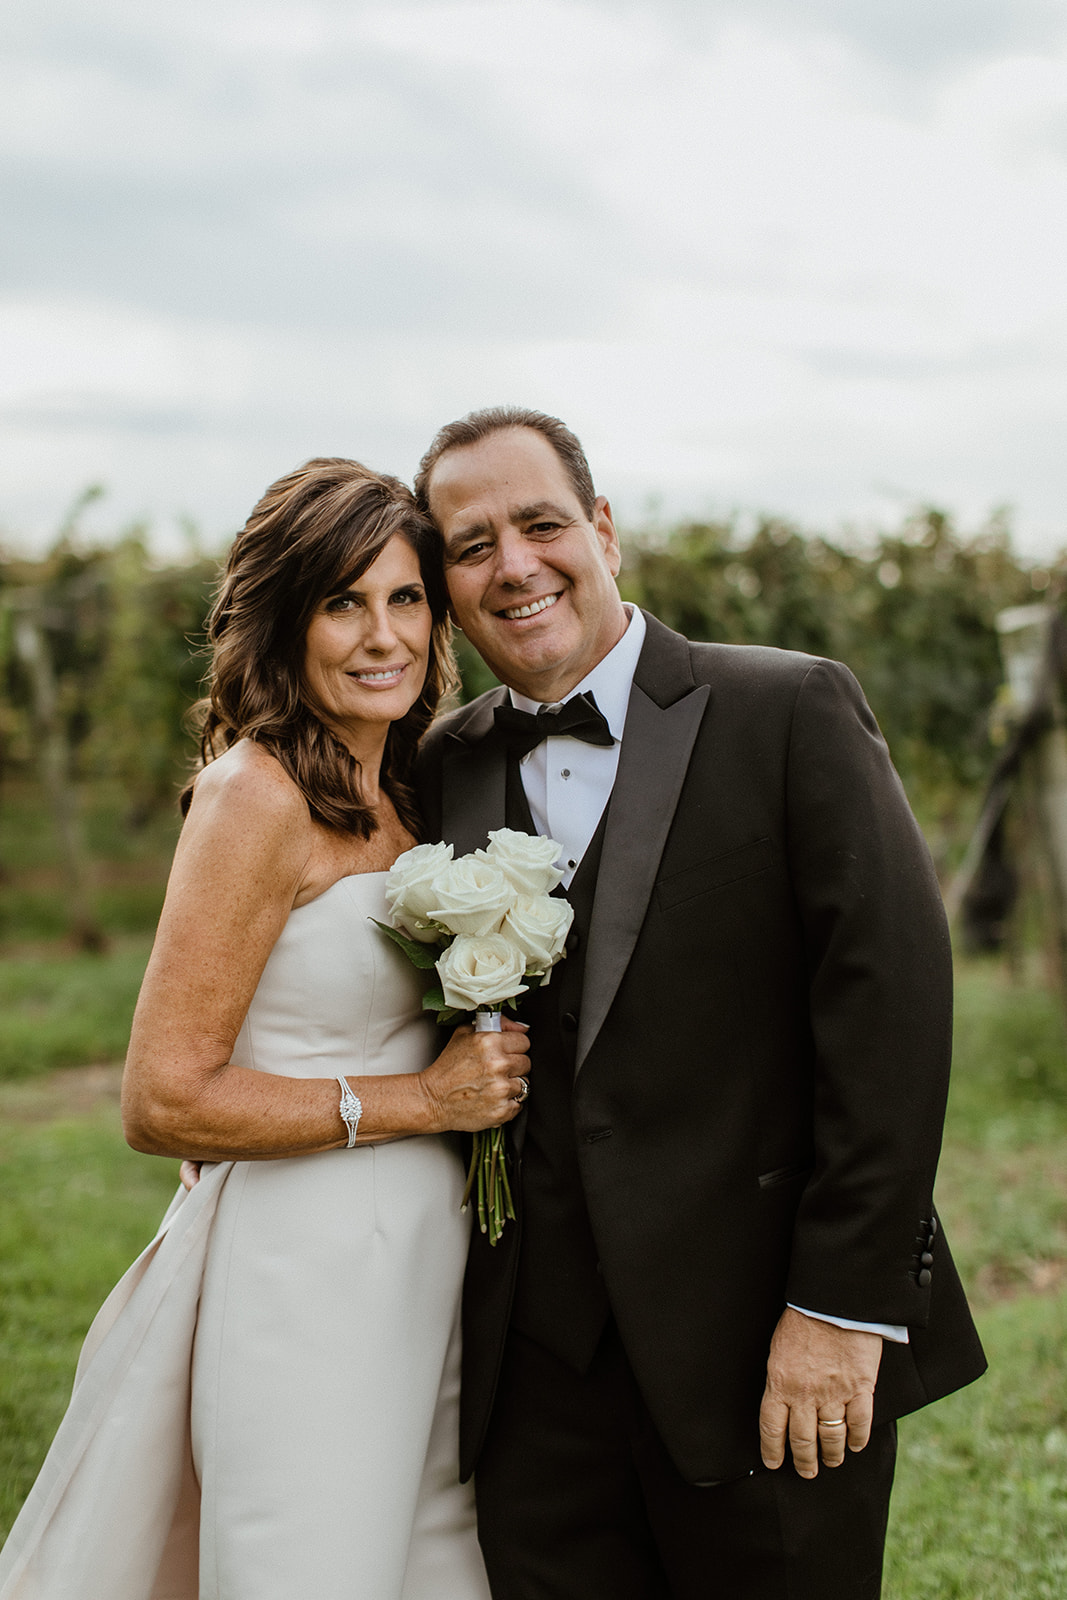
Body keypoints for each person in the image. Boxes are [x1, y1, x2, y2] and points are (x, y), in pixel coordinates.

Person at [413, 407, 988, 1600]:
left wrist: (839, 1309)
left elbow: (891, 1018)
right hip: (530, 1382)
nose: (512, 564)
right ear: (447, 587)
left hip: (766, 1352)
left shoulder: (788, 711)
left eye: (539, 524)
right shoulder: (435, 769)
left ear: (603, 530)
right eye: (471, 545)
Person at [0, 459, 530, 1600]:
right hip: (304, 1268)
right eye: (342, 602)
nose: (380, 635)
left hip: (426, 1263)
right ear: (281, 621)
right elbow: (161, 1100)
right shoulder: (254, 796)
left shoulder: (414, 784)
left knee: (431, 1567)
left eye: (403, 599)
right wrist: (424, 1102)